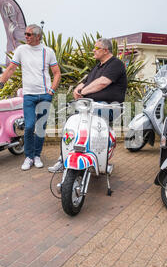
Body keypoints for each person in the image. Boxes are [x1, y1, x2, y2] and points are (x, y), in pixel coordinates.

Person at [48, 38, 127, 173]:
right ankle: (63, 158)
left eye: (96, 48)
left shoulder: (116, 64)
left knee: (90, 125)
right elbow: (85, 82)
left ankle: (97, 158)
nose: (93, 51)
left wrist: (83, 92)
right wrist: (77, 90)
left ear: (105, 50)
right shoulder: (98, 66)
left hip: (108, 106)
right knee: (71, 125)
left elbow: (102, 82)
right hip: (89, 105)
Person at [0, 24, 61, 171]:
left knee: (40, 128)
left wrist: (51, 92)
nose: (26, 37)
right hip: (29, 95)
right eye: (26, 34)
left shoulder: (48, 52)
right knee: (29, 126)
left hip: (44, 95)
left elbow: (56, 73)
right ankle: (28, 157)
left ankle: (37, 156)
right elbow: (10, 69)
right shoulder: (21, 50)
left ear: (38, 36)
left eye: (29, 34)